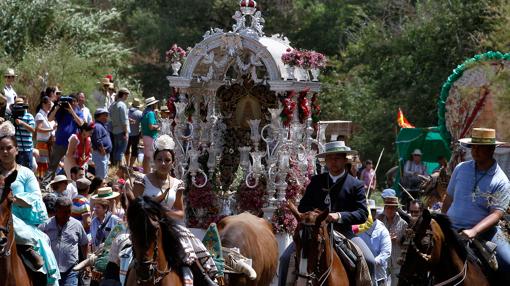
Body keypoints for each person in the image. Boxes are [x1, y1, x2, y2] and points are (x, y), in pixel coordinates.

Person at [279, 141, 376, 285]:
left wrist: (339, 216)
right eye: (330, 158)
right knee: (285, 258)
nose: (333, 162)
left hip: (344, 233)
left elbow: (362, 214)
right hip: (314, 232)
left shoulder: (356, 185)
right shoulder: (316, 181)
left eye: (337, 158)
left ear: (345, 159)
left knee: (369, 260)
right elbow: (303, 206)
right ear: (326, 161)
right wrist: (314, 215)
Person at [442, 128, 510, 284]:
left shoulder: (501, 181)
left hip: (484, 234)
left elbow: (496, 214)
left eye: (480, 147)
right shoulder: (460, 169)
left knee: (508, 263)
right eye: (473, 146)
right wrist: (443, 222)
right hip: (451, 228)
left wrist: (474, 231)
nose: (475, 150)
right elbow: (448, 199)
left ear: (492, 149)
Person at [0, 121, 60, 284]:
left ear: (16, 150)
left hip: (21, 222)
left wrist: (14, 199)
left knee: (40, 245)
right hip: (0, 219)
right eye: (1, 149)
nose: (5, 152)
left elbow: (35, 197)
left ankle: (46, 277)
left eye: (9, 148)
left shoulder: (26, 173)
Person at [131, 134, 185, 221]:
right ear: (154, 161)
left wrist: (163, 213)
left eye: (167, 160)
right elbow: (133, 208)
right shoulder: (142, 180)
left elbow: (181, 213)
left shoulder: (177, 183)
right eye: (159, 160)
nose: (163, 163)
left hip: (169, 226)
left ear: (173, 163)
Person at [39, 197, 89, 286]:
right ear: (56, 211)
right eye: (64, 212)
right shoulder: (45, 226)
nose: (67, 215)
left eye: (69, 212)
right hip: (51, 271)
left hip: (71, 270)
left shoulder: (77, 225)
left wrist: (85, 263)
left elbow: (84, 243)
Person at [43, 93, 84, 187]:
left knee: (72, 166)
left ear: (76, 102)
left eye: (73, 101)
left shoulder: (78, 112)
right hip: (59, 143)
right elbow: (49, 119)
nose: (71, 103)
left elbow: (81, 123)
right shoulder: (61, 111)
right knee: (53, 164)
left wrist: (71, 111)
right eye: (70, 102)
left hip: (72, 145)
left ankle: (73, 184)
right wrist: (57, 107)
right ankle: (45, 184)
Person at [377, 196, 408, 286]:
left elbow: (406, 246)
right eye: (387, 207)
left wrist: (397, 240)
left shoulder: (403, 224)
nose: (389, 210)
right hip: (383, 260)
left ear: (396, 209)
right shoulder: (379, 222)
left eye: (392, 208)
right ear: (385, 208)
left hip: (397, 260)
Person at [360, 200, 392, 286]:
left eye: (371, 211)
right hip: (361, 276)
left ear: (375, 213)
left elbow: (386, 253)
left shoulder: (382, 230)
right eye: (365, 211)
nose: (368, 214)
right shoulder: (358, 228)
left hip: (378, 276)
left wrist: (372, 262)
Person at [11, 97, 36, 169]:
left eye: (21, 104)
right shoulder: (12, 116)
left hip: (27, 149)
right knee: (17, 170)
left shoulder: (29, 116)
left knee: (28, 169)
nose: (19, 106)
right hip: (17, 150)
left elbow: (33, 130)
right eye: (17, 105)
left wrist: (22, 123)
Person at [35, 94, 56, 178]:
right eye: (48, 105)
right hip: (42, 143)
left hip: (49, 143)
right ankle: (41, 180)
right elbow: (38, 129)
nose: (50, 106)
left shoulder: (47, 115)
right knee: (43, 163)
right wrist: (51, 130)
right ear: (43, 104)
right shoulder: (40, 115)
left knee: (48, 163)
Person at [108, 88, 130, 166]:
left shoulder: (113, 105)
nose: (127, 97)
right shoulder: (122, 105)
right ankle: (118, 166)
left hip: (115, 129)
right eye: (127, 95)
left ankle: (114, 166)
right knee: (121, 150)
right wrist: (126, 132)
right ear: (123, 95)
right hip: (122, 130)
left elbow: (110, 116)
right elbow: (124, 120)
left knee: (116, 149)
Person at [140, 97, 159, 173]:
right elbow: (151, 127)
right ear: (152, 105)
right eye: (155, 104)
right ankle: (149, 173)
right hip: (151, 136)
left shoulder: (145, 112)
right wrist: (159, 126)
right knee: (150, 156)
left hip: (145, 136)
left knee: (146, 155)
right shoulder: (151, 113)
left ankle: (145, 172)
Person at [91, 108, 112, 179]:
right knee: (100, 175)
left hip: (103, 153)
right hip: (100, 153)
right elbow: (98, 140)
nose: (106, 117)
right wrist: (102, 150)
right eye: (104, 115)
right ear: (98, 116)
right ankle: (100, 189)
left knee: (104, 174)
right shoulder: (97, 126)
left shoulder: (102, 125)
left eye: (107, 115)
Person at [126, 98, 143, 168]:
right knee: (134, 150)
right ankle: (131, 165)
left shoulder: (126, 111)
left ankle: (127, 164)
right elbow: (142, 124)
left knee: (126, 149)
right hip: (135, 134)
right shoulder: (140, 113)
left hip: (126, 133)